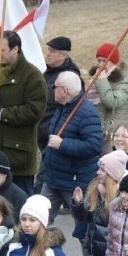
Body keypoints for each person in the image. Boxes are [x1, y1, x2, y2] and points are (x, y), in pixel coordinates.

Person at [0, 30, 48, 196]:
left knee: (18, 204)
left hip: (16, 157)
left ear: (16, 49)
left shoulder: (32, 76)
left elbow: (35, 111)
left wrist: (3, 113)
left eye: (2, 50)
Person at [42, 70, 104, 224]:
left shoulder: (87, 113)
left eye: (55, 87)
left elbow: (95, 145)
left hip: (74, 182)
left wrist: (62, 144)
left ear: (65, 91)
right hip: (53, 179)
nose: (52, 90)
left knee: (84, 228)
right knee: (38, 219)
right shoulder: (62, 108)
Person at [35, 36, 84, 193]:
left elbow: (74, 107)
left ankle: (35, 208)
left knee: (43, 177)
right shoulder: (48, 73)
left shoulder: (70, 77)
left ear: (63, 55)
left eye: (52, 51)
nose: (47, 54)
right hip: (43, 133)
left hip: (57, 135)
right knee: (53, 175)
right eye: (48, 50)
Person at [88, 42, 128, 144]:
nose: (101, 64)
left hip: (113, 133)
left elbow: (112, 102)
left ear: (113, 61)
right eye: (99, 60)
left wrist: (101, 81)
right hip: (96, 130)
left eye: (105, 60)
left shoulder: (122, 79)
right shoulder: (98, 77)